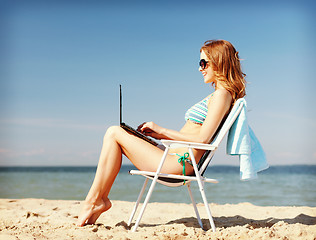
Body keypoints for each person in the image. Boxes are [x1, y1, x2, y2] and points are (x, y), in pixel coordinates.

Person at [77, 39, 246, 226]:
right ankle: (97, 200)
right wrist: (160, 137)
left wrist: (161, 129)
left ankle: (95, 200)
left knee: (114, 132)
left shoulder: (222, 95)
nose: (200, 69)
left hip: (178, 164)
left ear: (219, 61)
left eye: (203, 63)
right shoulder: (220, 95)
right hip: (173, 157)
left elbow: (202, 138)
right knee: (117, 134)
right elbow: (197, 136)